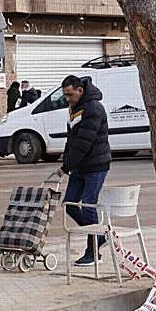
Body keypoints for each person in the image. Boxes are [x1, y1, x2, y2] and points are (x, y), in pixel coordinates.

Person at [49, 74, 112, 266]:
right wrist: (66, 163)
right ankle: (99, 236)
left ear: (80, 91)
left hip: (95, 165)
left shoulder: (93, 108)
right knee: (69, 204)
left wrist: (67, 166)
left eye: (70, 95)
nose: (67, 99)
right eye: (65, 95)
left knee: (88, 205)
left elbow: (84, 143)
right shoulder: (74, 107)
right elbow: (72, 140)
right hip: (79, 166)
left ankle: (93, 253)